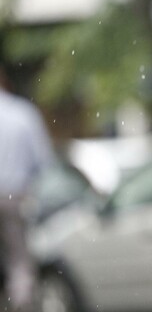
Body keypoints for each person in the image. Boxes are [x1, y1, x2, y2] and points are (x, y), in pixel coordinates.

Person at [0, 64, 53, 312]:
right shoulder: (22, 113)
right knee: (19, 260)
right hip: (15, 196)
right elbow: (43, 160)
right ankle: (21, 305)